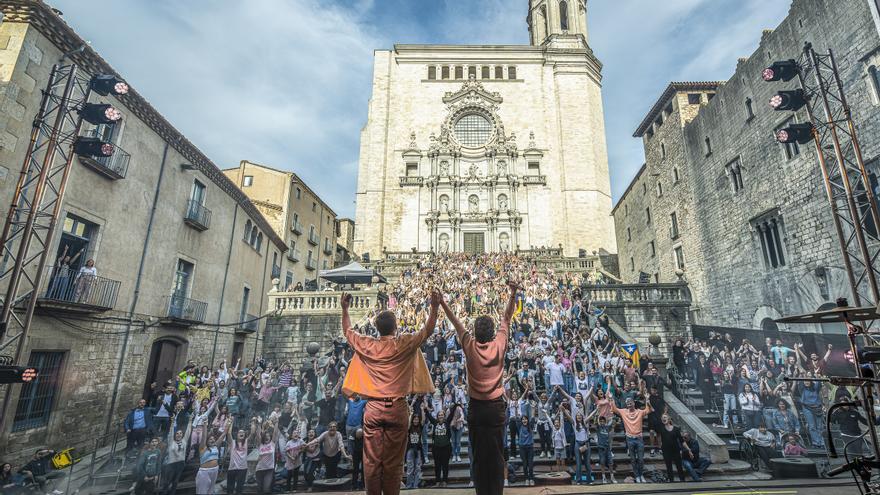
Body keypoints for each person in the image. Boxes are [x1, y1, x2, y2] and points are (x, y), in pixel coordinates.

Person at [340, 290, 440, 495]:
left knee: (371, 461)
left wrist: (345, 308)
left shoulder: (368, 344)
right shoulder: (404, 342)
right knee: (394, 463)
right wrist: (434, 307)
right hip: (397, 408)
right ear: (395, 327)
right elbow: (427, 330)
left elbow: (348, 331)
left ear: (376, 328)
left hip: (374, 408)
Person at [439, 279, 519, 495]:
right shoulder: (500, 343)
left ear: (475, 331)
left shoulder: (469, 344)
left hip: (476, 408)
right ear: (493, 332)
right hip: (495, 408)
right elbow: (506, 317)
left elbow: (456, 322)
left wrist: (442, 303)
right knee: (496, 456)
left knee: (478, 456)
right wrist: (512, 293)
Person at [610, 390, 652, 483]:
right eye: (627, 403)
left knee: (640, 459)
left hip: (639, 438)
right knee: (633, 459)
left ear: (634, 403)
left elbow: (649, 410)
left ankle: (641, 475)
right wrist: (611, 399)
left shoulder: (639, 412)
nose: (629, 404)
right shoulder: (624, 411)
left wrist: (647, 400)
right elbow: (614, 409)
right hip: (629, 439)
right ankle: (637, 476)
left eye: (630, 402)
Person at [162, 408, 192, 495]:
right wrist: (173, 422)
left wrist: (190, 420)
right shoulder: (172, 442)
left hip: (180, 463)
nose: (179, 435)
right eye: (177, 433)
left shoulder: (184, 441)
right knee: (167, 482)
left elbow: (188, 431)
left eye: (180, 433)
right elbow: (171, 432)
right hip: (171, 464)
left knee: (175, 482)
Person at [658, 414, 685, 482]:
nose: (663, 419)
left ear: (669, 419)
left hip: (676, 450)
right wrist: (660, 447)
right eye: (662, 418)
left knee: (679, 466)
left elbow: (682, 440)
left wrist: (688, 449)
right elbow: (658, 438)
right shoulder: (661, 428)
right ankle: (671, 480)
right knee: (669, 466)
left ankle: (682, 480)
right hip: (666, 450)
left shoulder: (676, 429)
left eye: (665, 417)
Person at [594, 415, 616, 483]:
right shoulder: (598, 427)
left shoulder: (607, 427)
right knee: (602, 463)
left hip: (607, 448)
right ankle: (604, 478)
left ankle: (612, 477)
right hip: (601, 448)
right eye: (601, 421)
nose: (602, 422)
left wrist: (612, 417)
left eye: (603, 421)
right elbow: (595, 423)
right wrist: (596, 416)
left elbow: (612, 423)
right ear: (599, 422)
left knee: (610, 463)